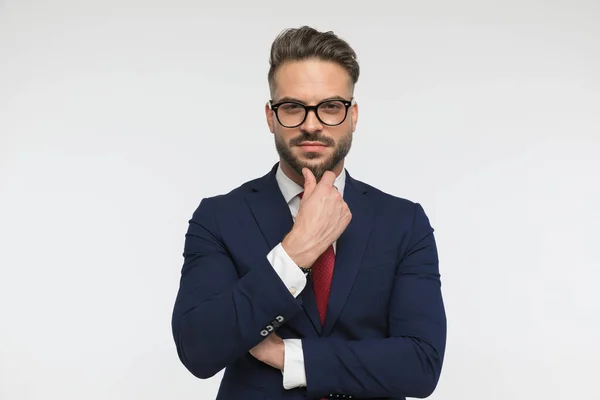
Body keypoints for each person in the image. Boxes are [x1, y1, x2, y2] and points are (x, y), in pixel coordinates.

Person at [171, 26, 447, 400]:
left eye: (331, 107)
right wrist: (293, 254)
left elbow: (421, 365)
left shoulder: (404, 222)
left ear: (353, 116)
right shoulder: (219, 217)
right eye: (293, 107)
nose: (312, 124)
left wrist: (292, 357)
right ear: (271, 116)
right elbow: (199, 350)